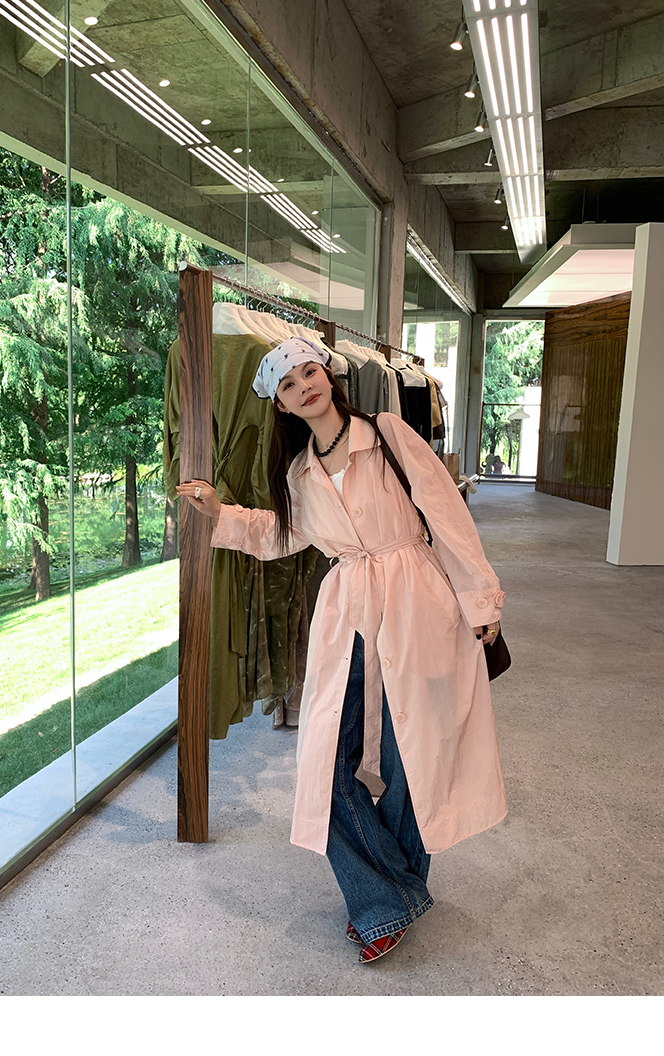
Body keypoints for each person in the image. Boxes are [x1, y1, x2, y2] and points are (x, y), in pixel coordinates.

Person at [177, 337, 508, 964]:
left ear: (327, 375)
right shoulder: (298, 473)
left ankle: (385, 905)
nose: (305, 385)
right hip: (348, 610)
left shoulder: (386, 434)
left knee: (417, 757)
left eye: (310, 372)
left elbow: (445, 514)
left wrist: (481, 599)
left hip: (418, 602)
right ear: (280, 404)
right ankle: (392, 893)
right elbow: (279, 535)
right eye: (289, 383)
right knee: (325, 765)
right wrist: (219, 512)